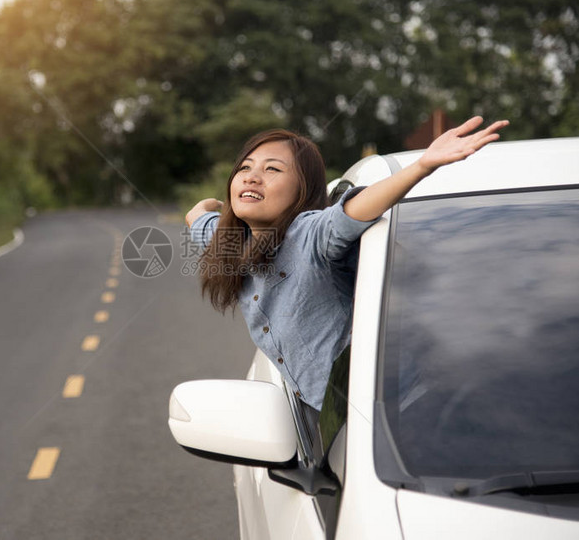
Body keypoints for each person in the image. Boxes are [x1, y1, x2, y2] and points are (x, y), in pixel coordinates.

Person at [185, 116, 509, 421]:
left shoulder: (308, 234)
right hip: (330, 422)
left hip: (399, 414)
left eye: (272, 169)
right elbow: (198, 220)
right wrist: (206, 210)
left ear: (303, 191)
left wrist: (421, 167)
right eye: (245, 167)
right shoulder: (230, 241)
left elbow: (350, 214)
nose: (252, 176)